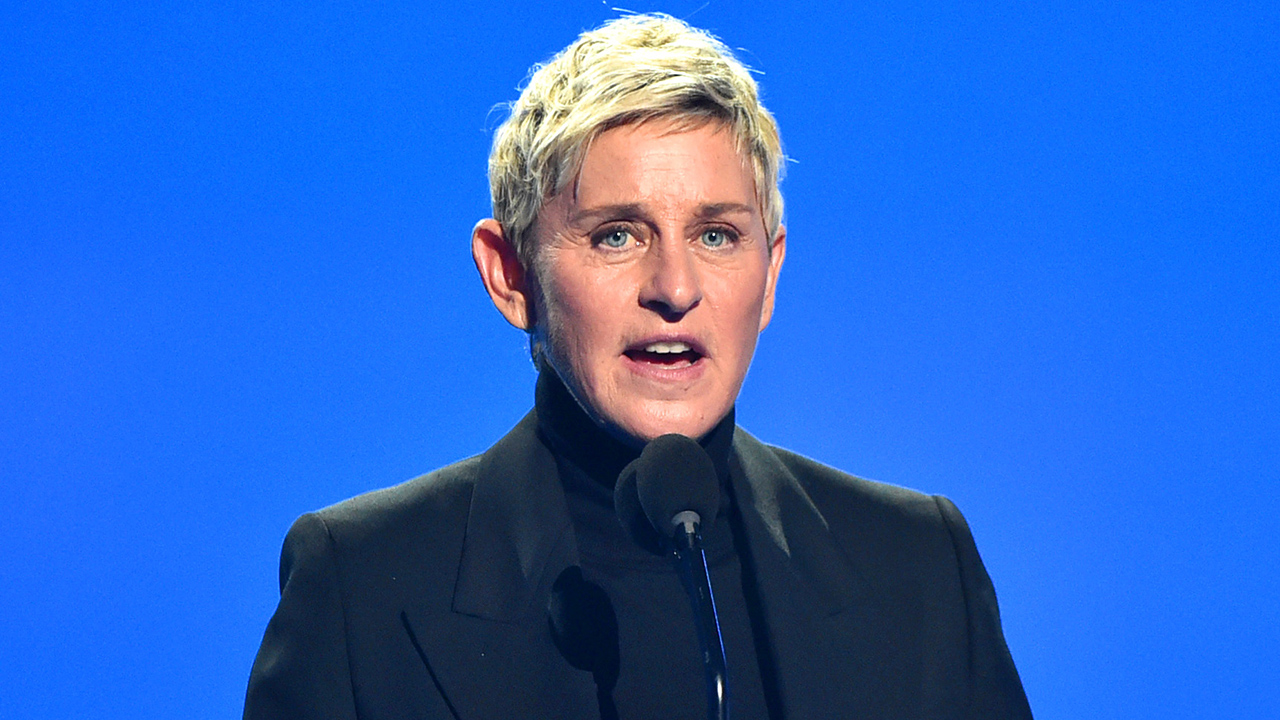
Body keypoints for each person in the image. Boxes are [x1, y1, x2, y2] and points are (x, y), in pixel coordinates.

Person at [243, 13, 1032, 720]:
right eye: (617, 234)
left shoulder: (920, 570)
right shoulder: (363, 590)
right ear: (511, 276)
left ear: (771, 274)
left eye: (717, 235)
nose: (675, 288)